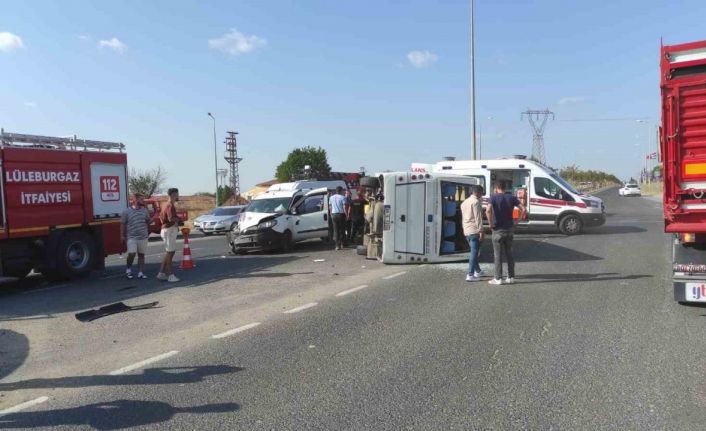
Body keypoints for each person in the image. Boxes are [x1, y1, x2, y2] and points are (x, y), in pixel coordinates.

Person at [485, 182, 525, 285]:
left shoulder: (493, 197)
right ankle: (511, 277)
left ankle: (498, 278)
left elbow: (488, 210)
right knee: (509, 254)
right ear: (504, 188)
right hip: (509, 230)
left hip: (498, 229)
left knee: (498, 255)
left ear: (497, 188)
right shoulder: (511, 198)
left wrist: (490, 223)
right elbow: (523, 209)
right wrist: (516, 221)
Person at [120, 193, 151, 280]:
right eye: (141, 199)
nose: (143, 201)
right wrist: (122, 235)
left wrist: (153, 218)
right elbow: (122, 223)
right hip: (132, 237)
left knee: (141, 255)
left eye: (143, 199)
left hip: (143, 236)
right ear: (135, 200)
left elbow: (148, 221)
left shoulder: (144, 210)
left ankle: (140, 272)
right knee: (132, 253)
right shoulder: (126, 211)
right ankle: (128, 269)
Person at [460, 185, 484, 282]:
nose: (482, 195)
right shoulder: (476, 202)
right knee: (474, 253)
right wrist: (481, 231)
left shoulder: (464, 202)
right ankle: (470, 274)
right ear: (478, 192)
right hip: (474, 230)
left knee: (473, 251)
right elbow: (478, 218)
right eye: (482, 193)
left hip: (467, 230)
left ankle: (478, 271)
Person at [157, 188, 181, 283]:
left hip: (166, 229)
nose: (178, 196)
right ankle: (170, 275)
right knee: (170, 253)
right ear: (173, 194)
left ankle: (161, 273)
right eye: (177, 194)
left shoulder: (164, 205)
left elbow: (161, 217)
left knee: (169, 252)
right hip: (169, 230)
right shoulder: (170, 206)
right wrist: (179, 219)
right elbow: (171, 218)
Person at [329, 186, 347, 250]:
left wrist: (331, 214)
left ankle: (337, 246)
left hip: (334, 214)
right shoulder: (343, 197)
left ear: (336, 191)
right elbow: (344, 207)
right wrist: (346, 215)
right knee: (342, 230)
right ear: (341, 190)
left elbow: (330, 207)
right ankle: (342, 244)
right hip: (341, 214)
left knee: (336, 230)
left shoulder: (331, 197)